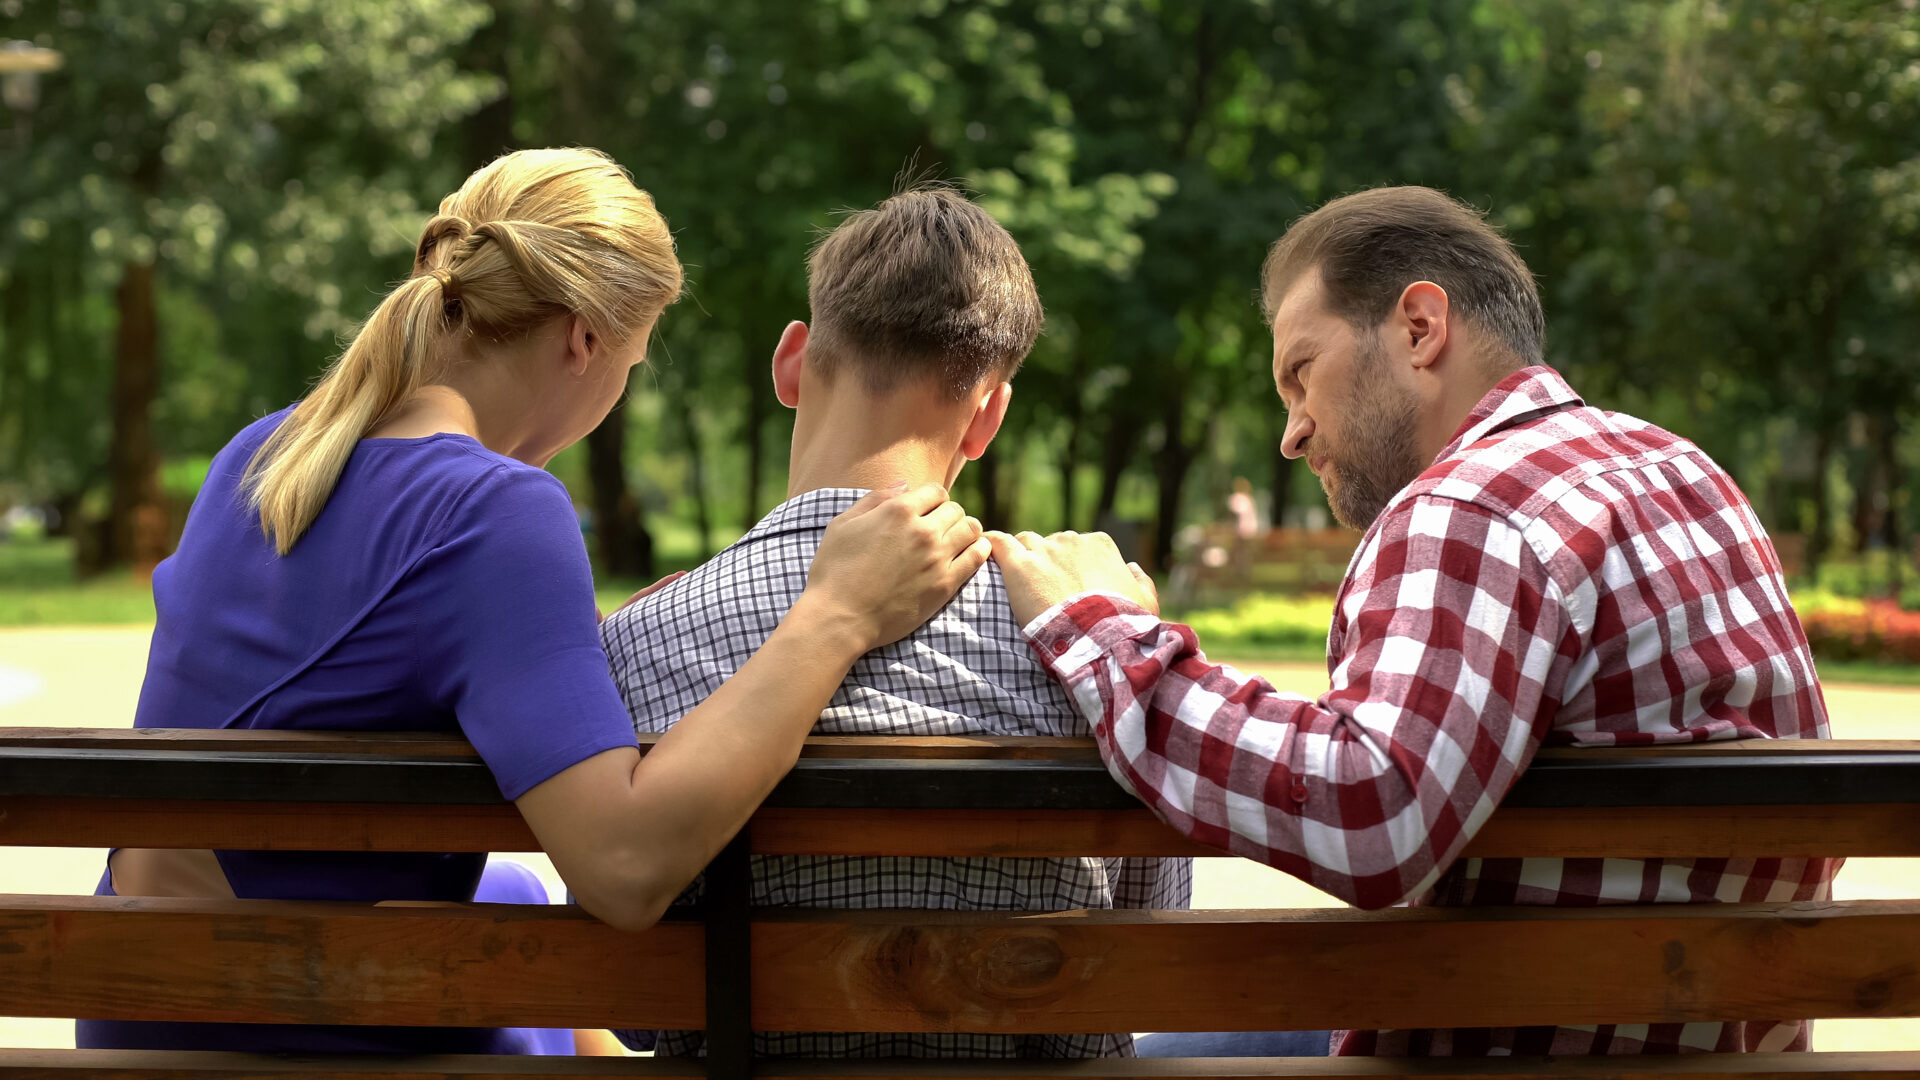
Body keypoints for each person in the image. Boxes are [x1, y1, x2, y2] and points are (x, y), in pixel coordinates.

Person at [81, 148, 990, 1057]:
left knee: (511, 898)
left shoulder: (264, 452)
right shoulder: (495, 509)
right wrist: (837, 612)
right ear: (585, 342)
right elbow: (625, 870)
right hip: (289, 1026)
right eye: (632, 362)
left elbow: (350, 642)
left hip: (144, 992)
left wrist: (563, 637)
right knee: (543, 946)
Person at [988, 186, 1834, 1058]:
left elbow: (1373, 812)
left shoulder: (1475, 505)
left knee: (1124, 1049)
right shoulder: (1683, 470)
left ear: (1420, 329)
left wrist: (1101, 629)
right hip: (1707, 1043)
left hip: (1514, 1052)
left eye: (1300, 373)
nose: (1291, 431)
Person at [600, 186, 1193, 1059]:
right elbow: (1147, 954)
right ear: (989, 415)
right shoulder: (1091, 644)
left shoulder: (641, 639)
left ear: (791, 362)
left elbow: (638, 1010)